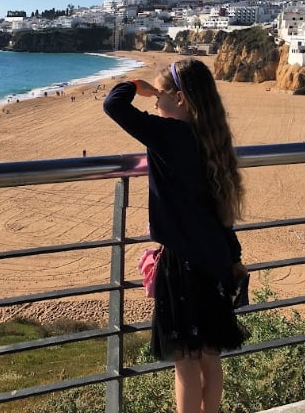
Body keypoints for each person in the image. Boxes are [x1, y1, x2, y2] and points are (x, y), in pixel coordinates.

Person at [103, 58, 248, 413]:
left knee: (185, 365)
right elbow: (220, 214)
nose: (154, 101)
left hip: (183, 265)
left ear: (181, 99)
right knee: (210, 360)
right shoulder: (211, 139)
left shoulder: (168, 134)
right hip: (215, 260)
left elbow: (113, 105)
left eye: (160, 94)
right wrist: (234, 257)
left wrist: (136, 84)